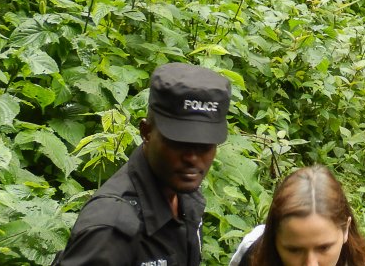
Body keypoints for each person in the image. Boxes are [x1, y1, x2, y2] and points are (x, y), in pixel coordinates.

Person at [54, 63, 232, 266]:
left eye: (204, 145)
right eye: (179, 143)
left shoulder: (186, 198)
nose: (192, 158)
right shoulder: (110, 228)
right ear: (146, 132)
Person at [228, 166, 365, 266]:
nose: (310, 264)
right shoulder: (250, 254)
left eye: (324, 248)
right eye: (294, 250)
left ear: (345, 230)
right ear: (273, 238)